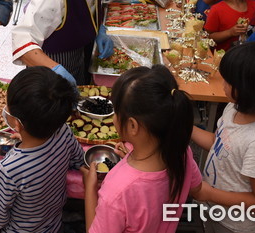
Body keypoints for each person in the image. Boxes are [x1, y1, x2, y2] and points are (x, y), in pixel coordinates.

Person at [81, 65, 202, 232]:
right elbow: (196, 188)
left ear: (132, 125)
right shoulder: (182, 153)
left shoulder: (117, 190)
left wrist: (90, 190)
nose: (114, 117)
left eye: (116, 111)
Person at [191, 42, 255, 232]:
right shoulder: (234, 108)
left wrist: (210, 193)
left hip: (235, 225)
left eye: (229, 81)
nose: (223, 84)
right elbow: (219, 144)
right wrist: (187, 128)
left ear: (249, 90)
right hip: (215, 209)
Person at [0, 66, 83, 233]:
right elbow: (78, 160)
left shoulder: (10, 169)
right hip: (53, 225)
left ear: (17, 124)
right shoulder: (64, 132)